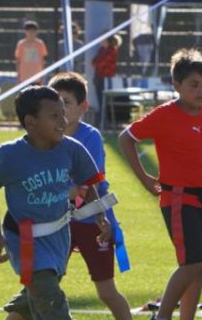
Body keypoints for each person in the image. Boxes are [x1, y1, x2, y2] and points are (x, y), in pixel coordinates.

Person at [0, 86, 110, 320]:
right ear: (31, 122)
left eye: (63, 113)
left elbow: (89, 182)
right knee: (52, 304)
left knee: (34, 301)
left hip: (59, 237)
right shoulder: (9, 155)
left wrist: (100, 215)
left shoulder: (72, 148)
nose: (63, 120)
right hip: (25, 240)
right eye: (54, 116)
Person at [118, 49, 202, 320]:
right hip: (178, 199)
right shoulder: (164, 115)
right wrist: (144, 178)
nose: (201, 91)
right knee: (191, 262)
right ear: (176, 86)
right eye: (194, 85)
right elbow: (126, 138)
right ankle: (161, 316)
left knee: (199, 267)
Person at [42, 72, 132, 320]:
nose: (59, 109)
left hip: (93, 219)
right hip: (57, 221)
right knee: (41, 286)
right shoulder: (41, 136)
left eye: (66, 102)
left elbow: (86, 185)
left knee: (106, 291)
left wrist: (67, 190)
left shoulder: (90, 137)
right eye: (53, 103)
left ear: (83, 107)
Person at [16, 20, 48, 85]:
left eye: (33, 31)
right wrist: (18, 75)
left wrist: (42, 74)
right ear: (25, 32)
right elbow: (18, 60)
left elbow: (43, 60)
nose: (31, 33)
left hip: (37, 76)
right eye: (29, 31)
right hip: (24, 76)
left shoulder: (40, 44)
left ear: (36, 32)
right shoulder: (21, 44)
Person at [91, 35, 120, 105]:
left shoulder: (112, 50)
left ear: (107, 41)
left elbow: (100, 63)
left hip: (106, 78)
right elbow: (93, 62)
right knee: (100, 99)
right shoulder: (102, 50)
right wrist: (96, 62)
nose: (100, 41)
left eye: (102, 39)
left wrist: (97, 62)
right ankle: (102, 114)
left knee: (105, 100)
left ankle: (106, 115)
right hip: (99, 76)